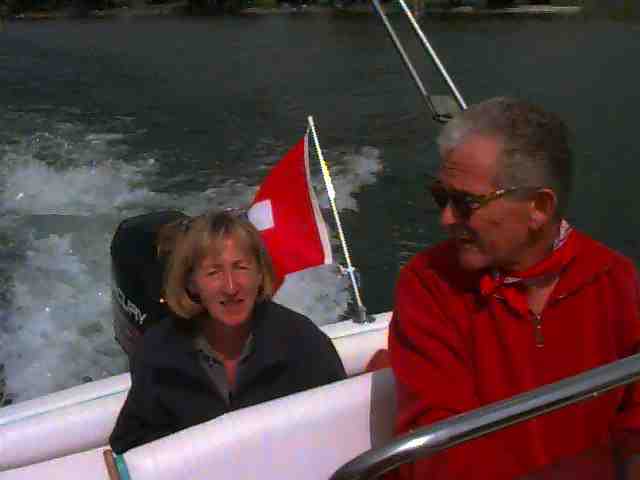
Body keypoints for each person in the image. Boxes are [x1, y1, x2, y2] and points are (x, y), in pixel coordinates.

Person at [388, 97, 640, 479]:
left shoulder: (615, 280)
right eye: (441, 197)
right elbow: (437, 449)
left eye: (465, 203)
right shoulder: (428, 284)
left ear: (538, 207)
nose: (446, 218)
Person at [110, 209, 346, 453]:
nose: (231, 287)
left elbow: (341, 425)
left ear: (259, 274)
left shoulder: (303, 343)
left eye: (241, 267)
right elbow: (131, 446)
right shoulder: (156, 354)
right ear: (191, 282)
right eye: (213, 272)